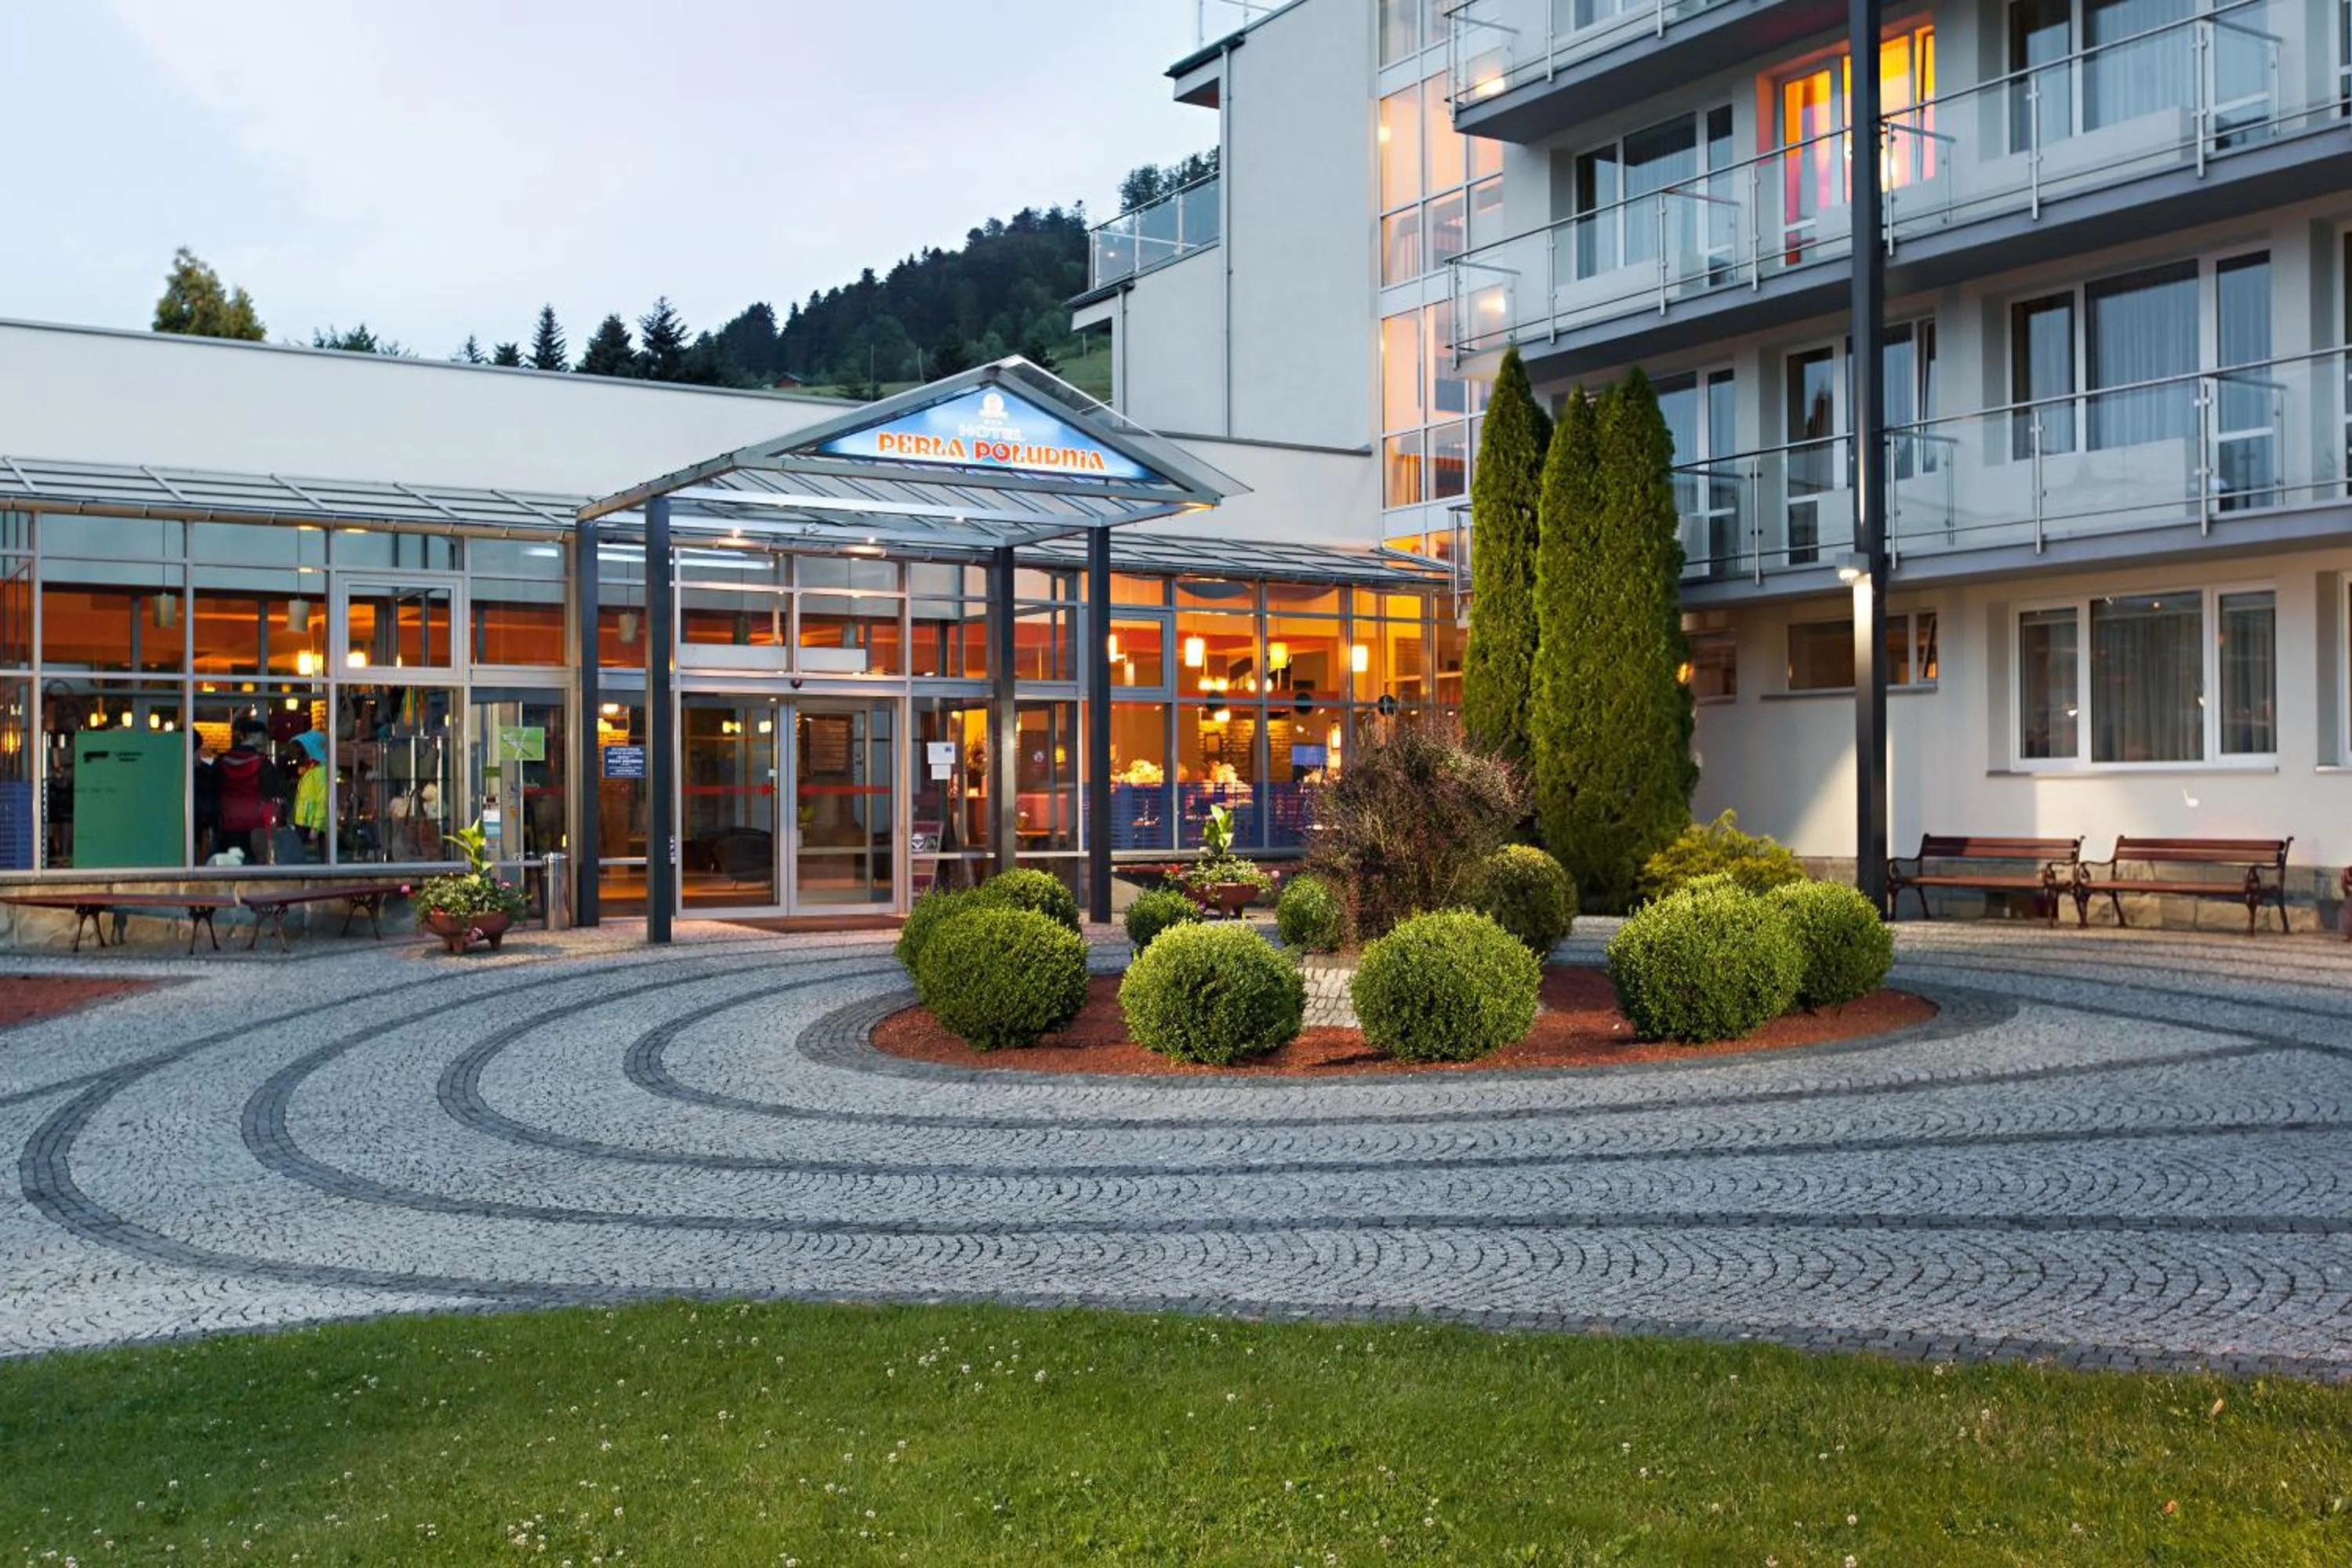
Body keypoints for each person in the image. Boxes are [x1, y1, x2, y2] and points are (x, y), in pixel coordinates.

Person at [213, 720, 284, 862]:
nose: (266, 740)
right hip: (256, 827)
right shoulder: (264, 765)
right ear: (258, 736)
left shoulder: (222, 761)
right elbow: (274, 797)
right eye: (264, 736)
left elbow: (214, 789)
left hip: (227, 826)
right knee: (253, 869)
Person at [291, 729, 329, 856]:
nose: (298, 752)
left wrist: (316, 828)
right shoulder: (312, 770)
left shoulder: (320, 771)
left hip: (312, 827)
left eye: (301, 748)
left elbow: (323, 801)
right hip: (305, 825)